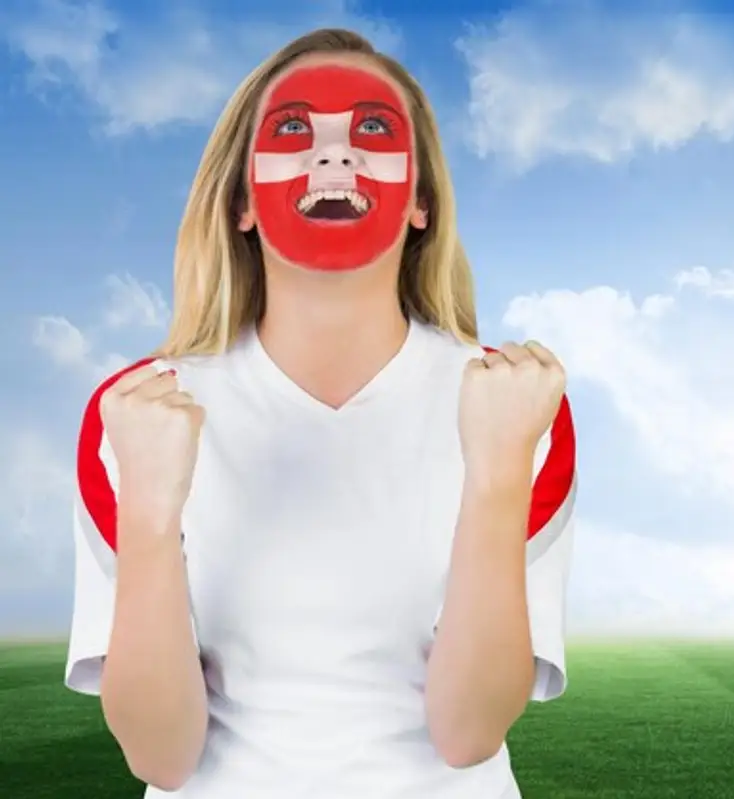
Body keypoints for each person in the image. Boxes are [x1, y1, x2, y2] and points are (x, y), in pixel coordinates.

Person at [64, 28, 577, 799]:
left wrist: (498, 474)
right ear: (240, 200)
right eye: (294, 129)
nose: (334, 157)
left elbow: (468, 731)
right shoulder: (134, 413)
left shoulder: (521, 405)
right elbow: (161, 755)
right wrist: (150, 515)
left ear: (420, 202)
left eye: (372, 128)